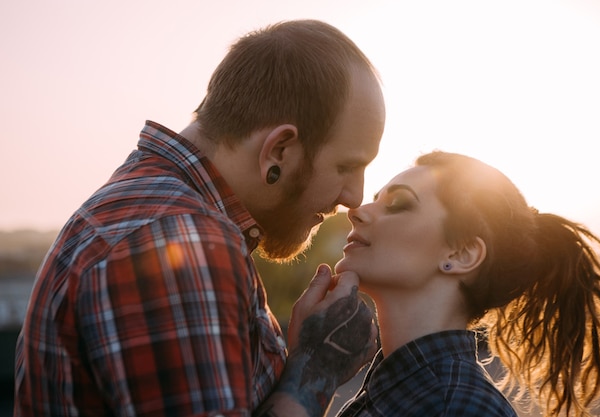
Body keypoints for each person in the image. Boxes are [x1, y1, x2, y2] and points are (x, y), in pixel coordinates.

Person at [14, 19, 385, 417]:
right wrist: (315, 370)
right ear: (279, 151)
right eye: (347, 166)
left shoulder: (150, 207)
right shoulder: (178, 241)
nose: (354, 198)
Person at [333, 151, 600, 417]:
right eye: (376, 198)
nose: (358, 211)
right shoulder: (402, 387)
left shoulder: (462, 407)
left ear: (461, 254)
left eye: (397, 203)